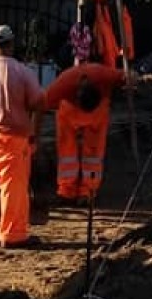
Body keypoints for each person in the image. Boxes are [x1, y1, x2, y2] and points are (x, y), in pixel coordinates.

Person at [0, 23, 46, 249]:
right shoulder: (23, 71)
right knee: (13, 188)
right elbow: (40, 102)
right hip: (14, 139)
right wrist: (34, 134)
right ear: (11, 45)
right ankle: (13, 236)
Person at [42, 62, 129, 201]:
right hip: (70, 113)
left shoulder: (104, 74)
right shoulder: (62, 85)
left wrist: (140, 78)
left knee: (93, 153)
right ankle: (67, 189)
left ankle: (88, 189)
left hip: (97, 113)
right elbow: (38, 106)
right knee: (67, 151)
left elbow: (128, 76)